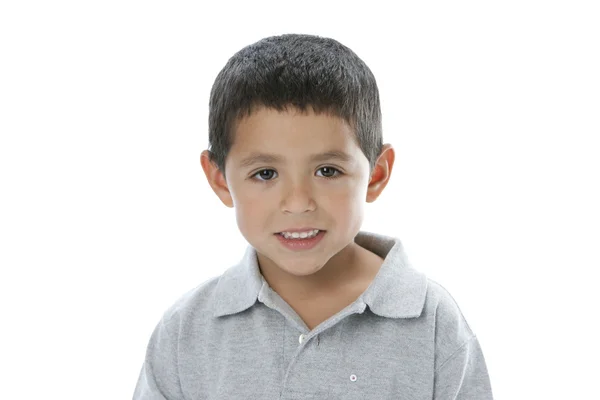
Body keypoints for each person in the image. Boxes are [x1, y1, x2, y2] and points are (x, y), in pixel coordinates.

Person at [133, 33, 494, 399]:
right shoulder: (187, 331)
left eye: (327, 171)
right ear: (220, 180)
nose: (298, 202)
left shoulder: (432, 322)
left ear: (376, 174)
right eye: (265, 174)